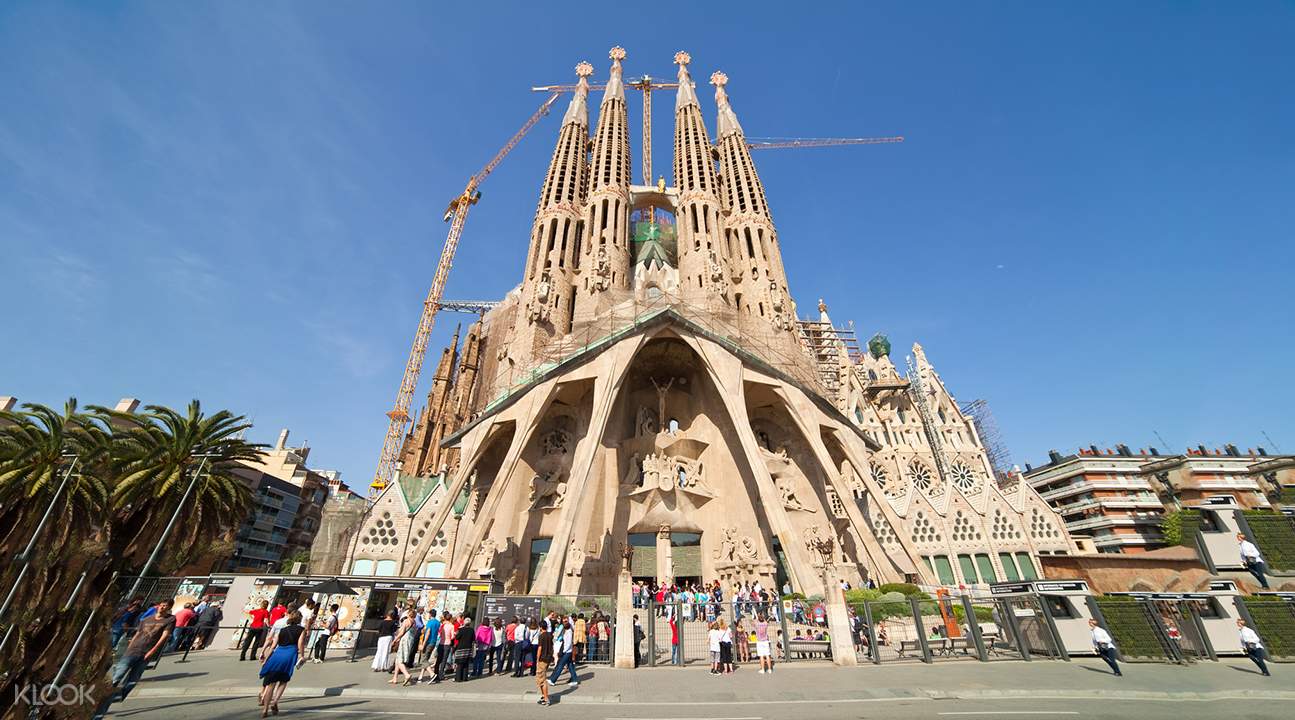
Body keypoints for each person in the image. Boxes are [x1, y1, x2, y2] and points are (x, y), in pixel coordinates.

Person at [110, 599, 175, 703]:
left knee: (134, 678)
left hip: (146, 651)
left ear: (169, 608)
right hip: (133, 650)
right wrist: (129, 647)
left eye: (165, 606)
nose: (162, 607)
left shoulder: (170, 619)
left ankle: (119, 697)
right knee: (119, 673)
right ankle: (106, 694)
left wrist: (153, 651)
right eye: (161, 605)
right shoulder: (146, 619)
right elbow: (137, 634)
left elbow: (164, 636)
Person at [258, 610, 307, 718]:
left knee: (271, 683)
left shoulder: (282, 630)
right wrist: (301, 655)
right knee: (283, 680)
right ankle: (275, 701)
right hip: (289, 655)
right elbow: (300, 643)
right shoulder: (301, 630)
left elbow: (273, 645)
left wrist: (266, 658)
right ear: (299, 619)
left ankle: (265, 710)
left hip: (277, 654)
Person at [548, 618, 579, 687]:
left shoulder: (568, 633)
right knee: (570, 666)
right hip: (568, 651)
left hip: (567, 652)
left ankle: (553, 680)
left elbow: (568, 644)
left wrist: (564, 651)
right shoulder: (568, 632)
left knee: (560, 665)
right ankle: (574, 679)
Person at [390, 611, 416, 685]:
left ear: (408, 614)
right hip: (410, 641)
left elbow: (402, 632)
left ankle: (406, 675)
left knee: (399, 660)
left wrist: (395, 640)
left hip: (404, 640)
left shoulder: (406, 621)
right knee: (398, 658)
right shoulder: (414, 622)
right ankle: (395, 678)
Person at [535, 623, 554, 706]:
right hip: (548, 658)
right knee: (541, 678)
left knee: (542, 679)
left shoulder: (541, 636)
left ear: (540, 627)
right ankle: (543, 696)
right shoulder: (549, 635)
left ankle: (546, 699)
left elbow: (540, 648)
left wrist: (537, 658)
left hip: (542, 659)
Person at [454, 617, 476, 682]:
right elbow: (473, 639)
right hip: (468, 648)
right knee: (466, 663)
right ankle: (465, 678)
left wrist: (456, 633)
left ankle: (458, 678)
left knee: (459, 663)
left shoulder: (460, 629)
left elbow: (457, 637)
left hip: (460, 648)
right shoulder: (472, 630)